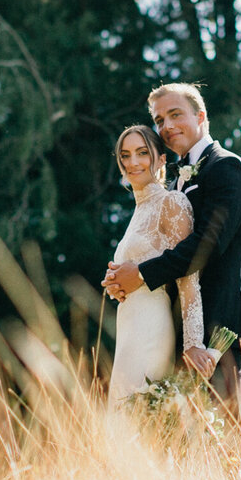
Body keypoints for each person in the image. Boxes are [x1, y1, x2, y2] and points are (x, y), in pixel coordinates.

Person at [104, 83, 241, 403]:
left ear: (201, 116)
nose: (167, 126)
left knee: (220, 438)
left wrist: (143, 274)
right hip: (172, 329)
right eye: (160, 120)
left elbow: (209, 245)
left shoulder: (227, 168)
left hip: (216, 328)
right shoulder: (175, 183)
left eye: (176, 115)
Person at [104, 124, 202, 408]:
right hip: (128, 328)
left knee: (138, 410)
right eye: (125, 154)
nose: (132, 162)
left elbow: (188, 274)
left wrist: (193, 343)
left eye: (142, 153)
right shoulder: (138, 210)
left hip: (152, 327)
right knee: (122, 410)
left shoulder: (171, 202)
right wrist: (115, 284)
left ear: (161, 159)